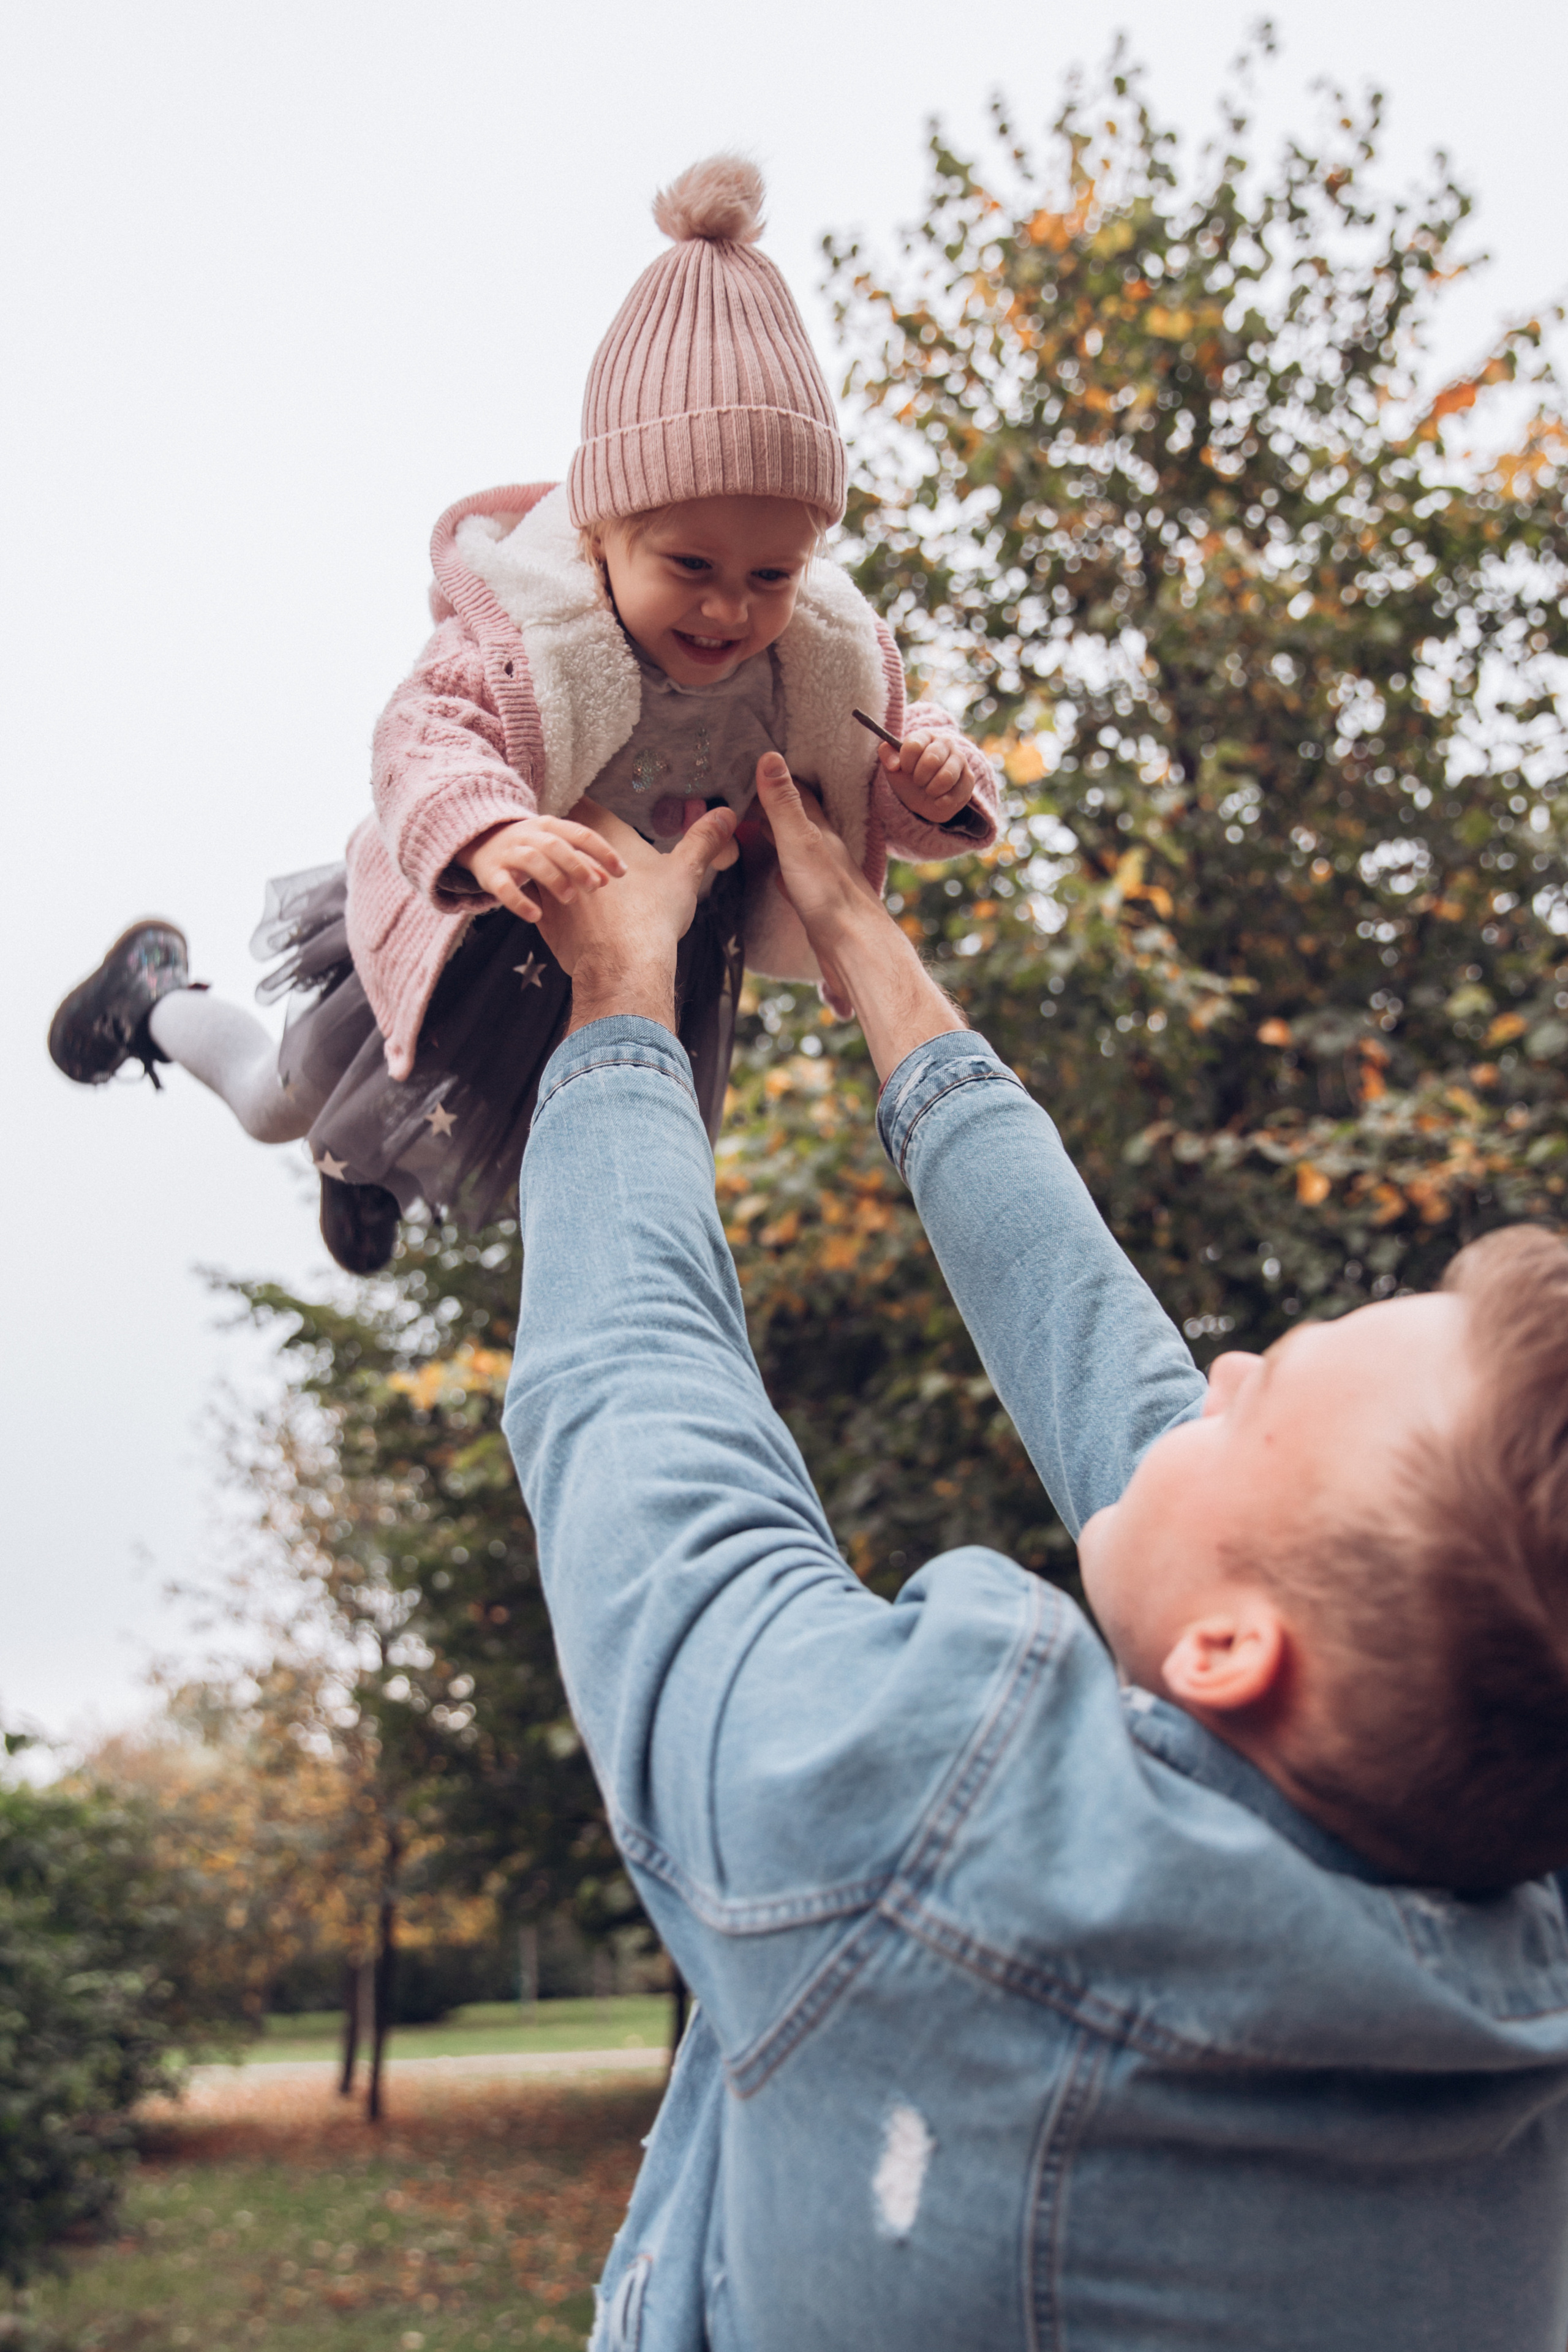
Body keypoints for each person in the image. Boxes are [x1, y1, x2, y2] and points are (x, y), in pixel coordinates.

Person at [503, 759, 1568, 2351]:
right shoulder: (1507, 1895)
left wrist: (621, 1006)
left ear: (1228, 1653)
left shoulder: (928, 1840)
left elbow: (637, 1405)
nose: (1206, 1375)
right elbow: (1111, 1363)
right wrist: (859, 938)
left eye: (1254, 1394)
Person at [45, 156, 996, 1272]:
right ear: (600, 532)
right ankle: (157, 1002)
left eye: (774, 576)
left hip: (635, 962)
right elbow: (421, 734)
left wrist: (931, 783)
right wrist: (486, 830)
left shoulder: (813, 666)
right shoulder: (531, 638)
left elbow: (876, 772)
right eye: (691, 563)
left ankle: (368, 1163)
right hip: (469, 936)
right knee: (283, 1101)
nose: (733, 606)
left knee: (590, 1139)